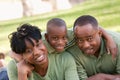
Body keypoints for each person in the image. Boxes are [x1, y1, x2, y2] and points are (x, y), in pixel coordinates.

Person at [7, 23, 79, 80]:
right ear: (20, 55)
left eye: (38, 45)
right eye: (28, 51)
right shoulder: (14, 67)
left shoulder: (65, 59)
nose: (37, 52)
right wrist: (22, 75)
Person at [67, 15, 120, 80]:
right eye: (80, 40)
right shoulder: (73, 51)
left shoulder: (117, 44)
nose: (86, 45)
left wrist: (102, 77)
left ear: (100, 33)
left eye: (89, 39)